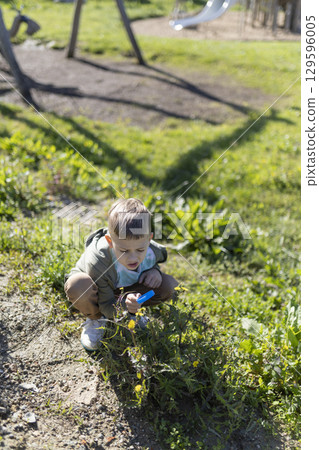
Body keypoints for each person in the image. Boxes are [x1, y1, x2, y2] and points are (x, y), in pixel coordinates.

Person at [64, 198, 179, 350]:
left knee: (169, 285)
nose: (133, 258)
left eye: (140, 250)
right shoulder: (99, 261)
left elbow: (154, 261)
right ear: (110, 241)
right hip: (98, 291)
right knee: (78, 285)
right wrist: (124, 304)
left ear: (149, 239)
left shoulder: (151, 250)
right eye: (124, 251)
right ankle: (96, 319)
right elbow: (106, 303)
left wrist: (155, 271)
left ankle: (133, 313)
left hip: (125, 289)